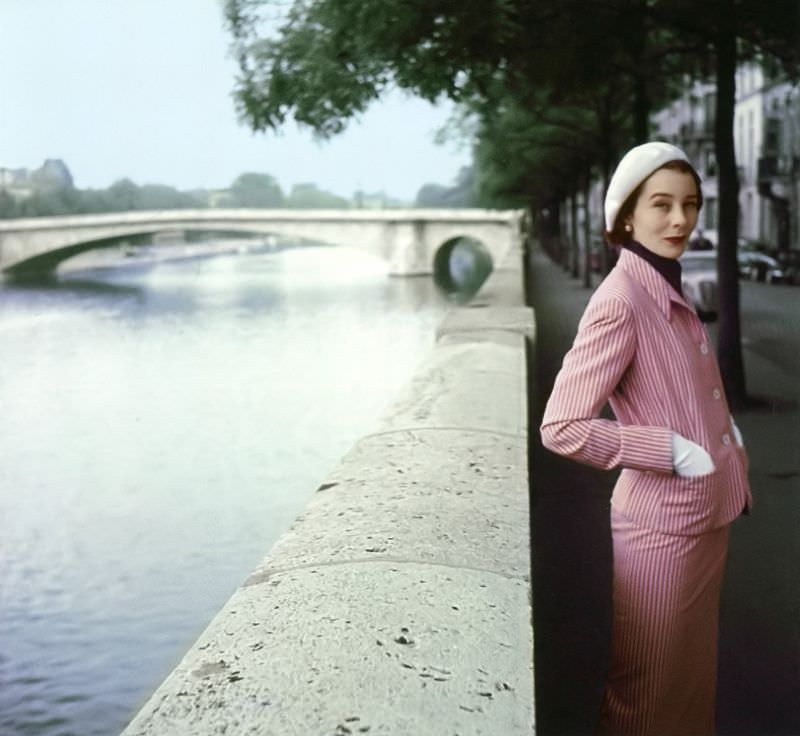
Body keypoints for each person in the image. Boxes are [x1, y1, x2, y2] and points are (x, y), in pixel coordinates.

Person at [540, 141, 752, 735]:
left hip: (706, 516)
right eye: (661, 205)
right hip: (662, 531)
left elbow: (686, 387)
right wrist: (664, 450)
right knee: (647, 697)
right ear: (626, 215)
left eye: (690, 204)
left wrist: (721, 432)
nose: (680, 219)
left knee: (687, 691)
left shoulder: (665, 282)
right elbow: (561, 427)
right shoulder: (622, 299)